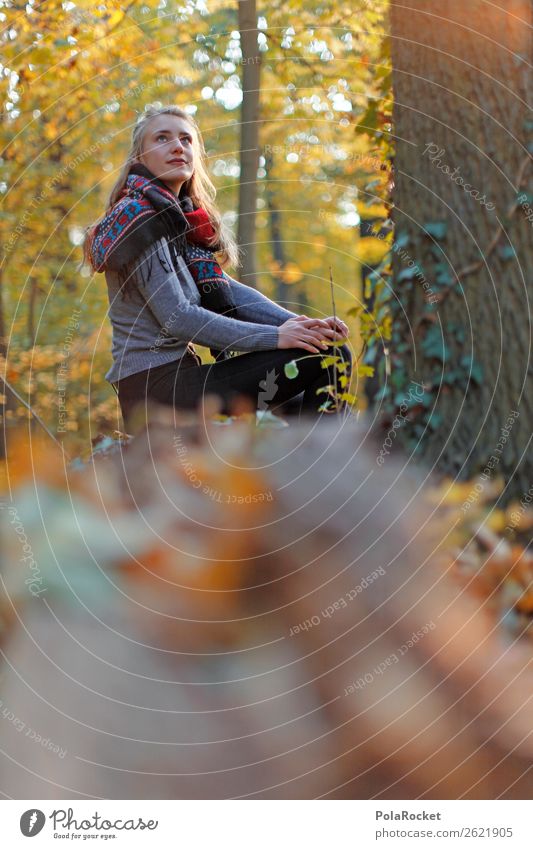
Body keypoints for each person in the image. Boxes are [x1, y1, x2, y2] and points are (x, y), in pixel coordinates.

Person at [84, 104, 352, 431]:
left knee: (324, 361)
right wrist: (277, 337)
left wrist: (299, 324)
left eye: (186, 139)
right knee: (324, 358)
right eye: (162, 138)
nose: (177, 146)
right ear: (139, 158)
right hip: (154, 393)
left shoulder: (182, 222)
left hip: (183, 378)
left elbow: (232, 293)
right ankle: (326, 464)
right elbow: (178, 317)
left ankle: (318, 465)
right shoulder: (138, 220)